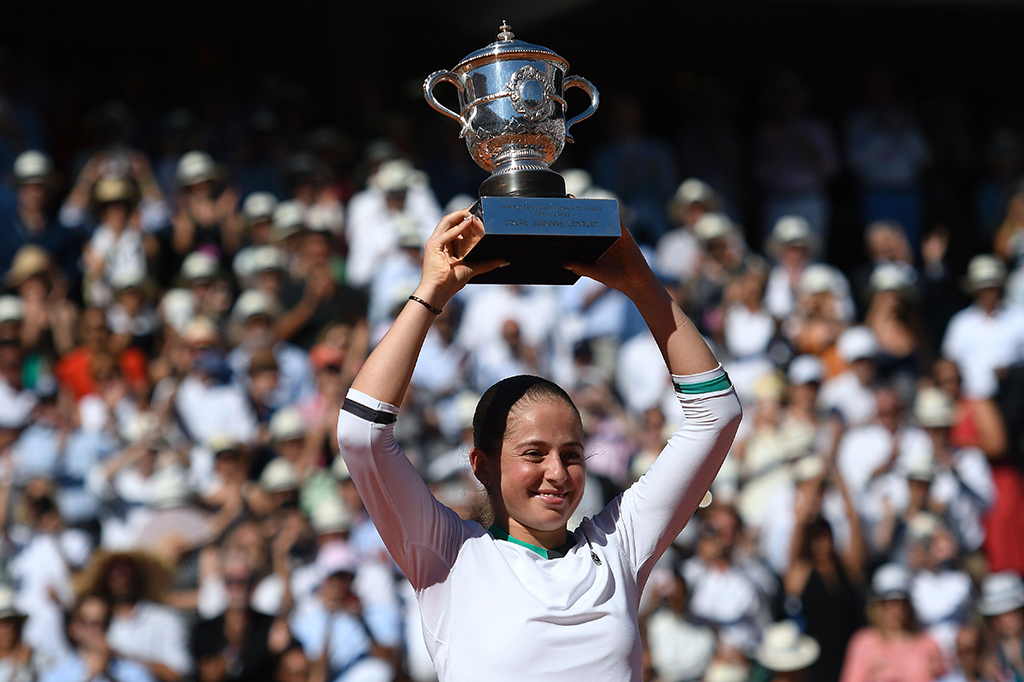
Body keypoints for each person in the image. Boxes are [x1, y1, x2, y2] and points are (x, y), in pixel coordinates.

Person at [335, 210, 742, 680]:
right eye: (534, 454)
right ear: (481, 465)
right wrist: (431, 294)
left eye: (571, 454)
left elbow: (717, 416)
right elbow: (361, 434)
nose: (557, 472)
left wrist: (641, 285)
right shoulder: (449, 553)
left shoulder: (619, 547)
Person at [839, 563, 946, 682]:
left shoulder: (928, 644)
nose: (896, 609)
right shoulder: (863, 643)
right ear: (877, 606)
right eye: (889, 603)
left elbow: (946, 676)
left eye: (901, 602)